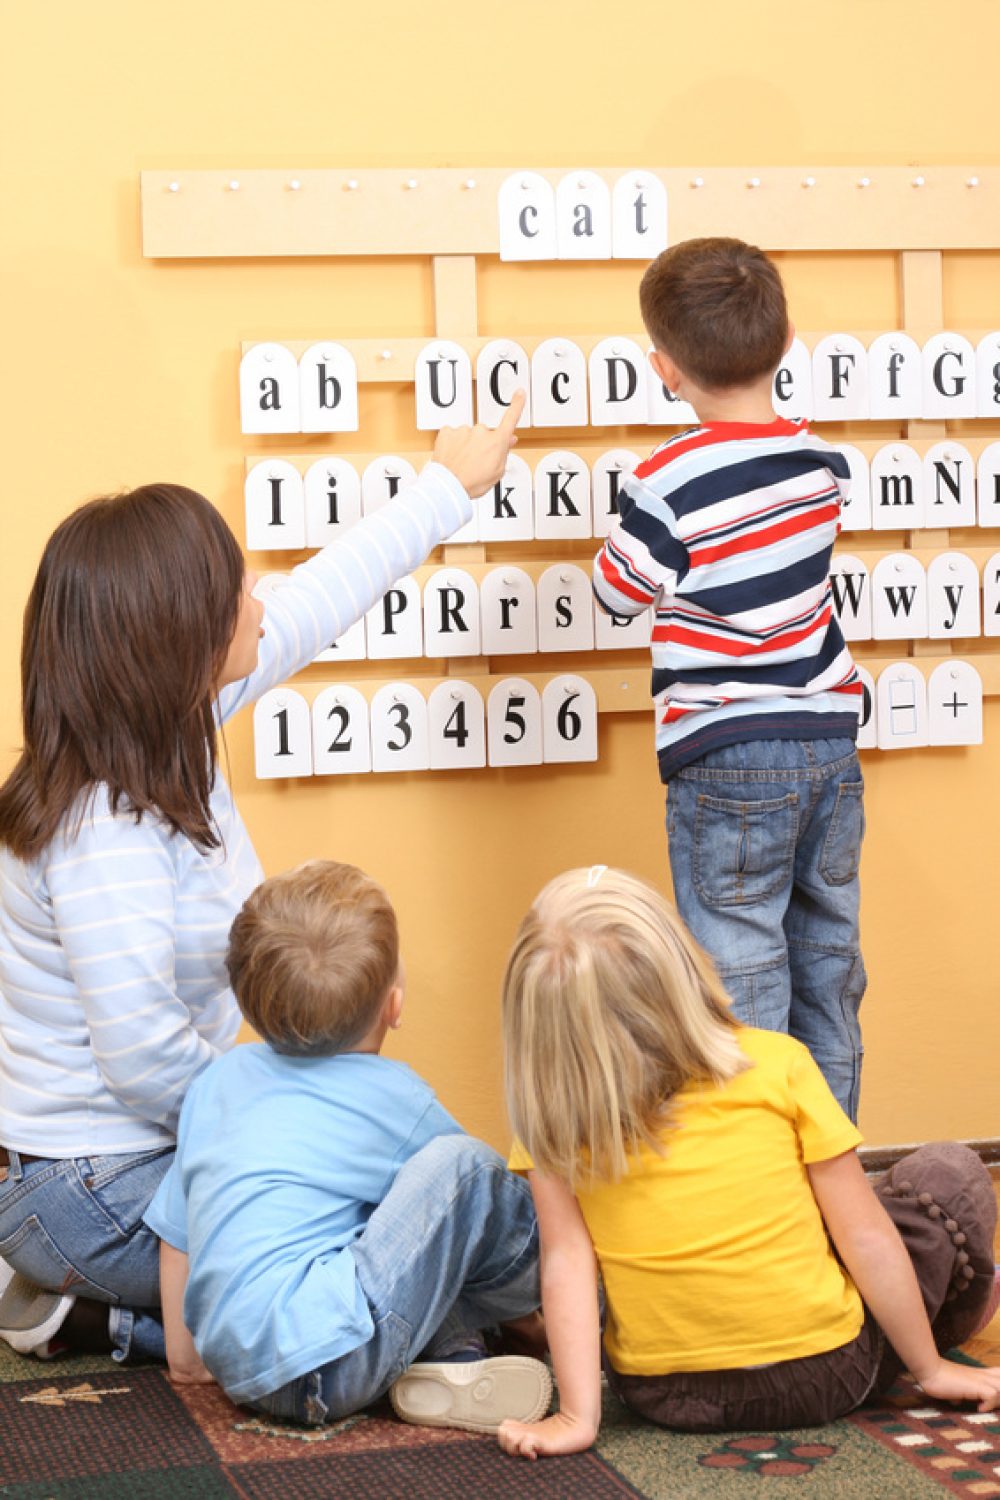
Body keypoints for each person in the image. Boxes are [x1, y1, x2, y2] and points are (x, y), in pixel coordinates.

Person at [0, 397, 524, 1363]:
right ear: (178, 642)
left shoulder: (177, 722)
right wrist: (301, 1122)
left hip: (162, 1151)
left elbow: (325, 595)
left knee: (386, 1222)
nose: (257, 596)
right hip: (93, 1186)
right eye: (236, 587)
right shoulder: (98, 833)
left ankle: (102, 1320)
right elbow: (145, 1062)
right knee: (370, 1244)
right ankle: (123, 1315)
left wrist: (449, 485)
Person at [497, 865, 1000, 1461]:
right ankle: (948, 1325)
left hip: (663, 1394)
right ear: (685, 966)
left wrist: (579, 1416)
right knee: (946, 1173)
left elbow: (567, 1264)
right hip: (830, 1374)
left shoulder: (548, 1125)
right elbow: (862, 1234)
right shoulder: (778, 1064)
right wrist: (931, 1371)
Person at [592, 238, 865, 1120]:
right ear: (788, 342)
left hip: (727, 752)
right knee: (827, 968)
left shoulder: (666, 479)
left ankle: (759, 1187)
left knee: (741, 983)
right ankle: (832, 1173)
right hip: (827, 742)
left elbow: (615, 592)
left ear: (665, 369)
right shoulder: (823, 466)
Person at [143, 859, 550, 1433]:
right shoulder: (395, 1097)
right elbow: (466, 1218)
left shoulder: (218, 1082)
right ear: (394, 1007)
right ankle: (559, 1307)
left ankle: (454, 1359)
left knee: (369, 1230)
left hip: (238, 1368)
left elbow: (177, 1231)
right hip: (328, 1365)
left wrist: (187, 1361)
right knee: (467, 1171)